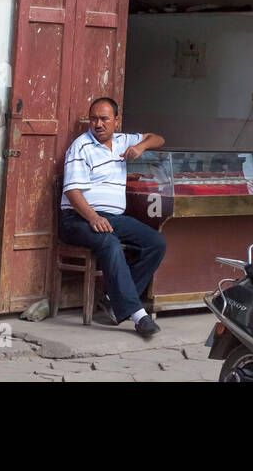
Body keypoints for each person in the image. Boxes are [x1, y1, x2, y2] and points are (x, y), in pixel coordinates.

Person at [58, 97, 166, 337]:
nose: (98, 124)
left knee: (155, 242)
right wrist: (93, 217)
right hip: (77, 219)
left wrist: (141, 146)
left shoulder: (123, 141)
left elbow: (158, 138)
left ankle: (112, 300)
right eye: (93, 119)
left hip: (112, 218)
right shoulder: (81, 146)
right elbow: (72, 192)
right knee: (109, 241)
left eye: (104, 119)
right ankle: (138, 316)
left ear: (116, 121)